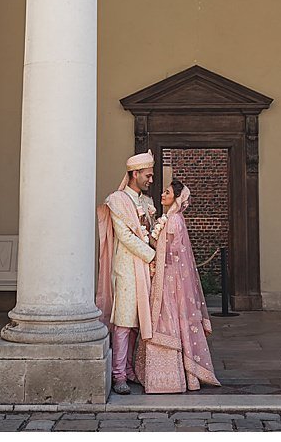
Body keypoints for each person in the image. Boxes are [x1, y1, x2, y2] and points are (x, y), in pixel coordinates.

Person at [135, 179, 221, 393]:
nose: (162, 195)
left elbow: (174, 252)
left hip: (170, 278)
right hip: (166, 275)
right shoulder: (170, 219)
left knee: (167, 316)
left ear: (175, 198)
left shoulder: (173, 221)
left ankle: (175, 377)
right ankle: (178, 375)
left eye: (167, 192)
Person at [96, 151, 157, 395]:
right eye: (148, 175)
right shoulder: (117, 200)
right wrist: (154, 255)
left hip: (144, 267)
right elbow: (125, 237)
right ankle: (118, 374)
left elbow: (150, 233)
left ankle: (131, 370)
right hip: (126, 267)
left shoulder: (147, 203)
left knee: (137, 323)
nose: (151, 180)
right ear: (134, 174)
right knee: (123, 321)